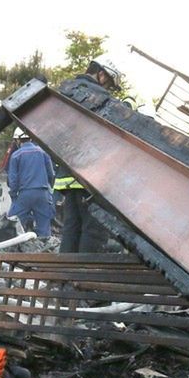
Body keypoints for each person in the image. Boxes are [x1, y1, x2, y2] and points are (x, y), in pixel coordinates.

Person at [58, 55, 122, 253]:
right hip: (91, 176)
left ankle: (64, 279)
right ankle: (82, 281)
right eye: (109, 84)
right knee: (93, 230)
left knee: (71, 227)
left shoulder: (64, 91)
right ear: (101, 74)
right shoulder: (100, 98)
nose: (108, 89)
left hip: (67, 176)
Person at [7, 127, 55, 237]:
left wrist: (14, 195)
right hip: (42, 193)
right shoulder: (43, 152)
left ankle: (13, 248)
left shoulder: (16, 155)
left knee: (13, 223)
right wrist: (48, 189)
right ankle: (45, 250)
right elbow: (51, 174)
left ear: (18, 140)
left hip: (25, 194)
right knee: (44, 228)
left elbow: (13, 180)